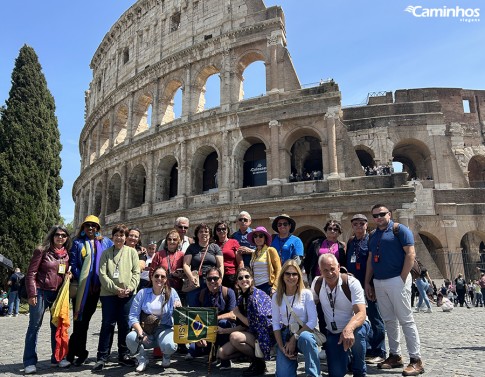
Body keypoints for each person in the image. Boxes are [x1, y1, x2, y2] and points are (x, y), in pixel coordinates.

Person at [364, 204, 424, 376]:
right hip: (380, 282)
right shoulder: (373, 235)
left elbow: (410, 254)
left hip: (397, 279)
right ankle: (395, 355)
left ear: (389, 214)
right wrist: (368, 282)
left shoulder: (400, 230)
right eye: (375, 216)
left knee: (406, 320)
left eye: (382, 214)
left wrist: (402, 278)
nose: (378, 218)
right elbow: (370, 260)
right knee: (389, 320)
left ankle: (416, 359)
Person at [61, 215, 114, 369]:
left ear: (98, 228)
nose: (91, 228)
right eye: (87, 225)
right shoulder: (77, 243)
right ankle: (75, 353)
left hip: (99, 288)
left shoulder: (105, 242)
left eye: (94, 226)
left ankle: (82, 354)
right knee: (80, 322)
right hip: (82, 289)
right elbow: (74, 263)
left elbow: (113, 256)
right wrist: (83, 278)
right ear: (83, 228)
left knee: (88, 322)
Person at [23, 225, 72, 374]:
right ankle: (29, 361)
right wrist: (32, 294)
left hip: (57, 294)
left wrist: (68, 276)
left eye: (64, 235)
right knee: (34, 326)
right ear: (52, 236)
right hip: (41, 292)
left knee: (57, 327)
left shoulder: (66, 254)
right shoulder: (42, 251)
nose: (60, 237)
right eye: (58, 235)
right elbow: (31, 273)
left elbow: (62, 272)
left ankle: (57, 358)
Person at [92, 224, 141, 371]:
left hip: (127, 294)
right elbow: (103, 274)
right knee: (107, 324)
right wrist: (116, 289)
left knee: (124, 324)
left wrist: (130, 288)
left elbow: (136, 272)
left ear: (125, 238)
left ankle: (124, 355)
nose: (119, 238)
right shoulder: (106, 253)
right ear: (112, 237)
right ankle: (102, 357)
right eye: (116, 235)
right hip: (108, 295)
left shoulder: (132, 252)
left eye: (122, 235)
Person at [312, 254, 369, 377]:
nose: (330, 273)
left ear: (338, 267)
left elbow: (361, 313)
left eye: (332, 269)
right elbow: (308, 306)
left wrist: (348, 329)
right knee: (336, 373)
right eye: (325, 270)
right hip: (333, 332)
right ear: (320, 270)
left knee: (358, 335)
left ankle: (359, 370)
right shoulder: (317, 283)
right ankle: (347, 359)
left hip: (355, 327)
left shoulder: (351, 283)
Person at [217, 267, 274, 376]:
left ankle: (259, 363)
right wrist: (224, 331)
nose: (244, 279)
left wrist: (237, 314)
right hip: (252, 335)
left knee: (235, 337)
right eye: (240, 278)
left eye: (247, 276)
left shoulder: (256, 296)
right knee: (222, 353)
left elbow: (257, 324)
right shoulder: (241, 298)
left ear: (252, 279)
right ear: (237, 282)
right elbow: (243, 326)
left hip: (266, 337)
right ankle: (252, 358)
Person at [345, 214, 386, 364]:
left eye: (361, 223)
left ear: (367, 225)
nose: (358, 226)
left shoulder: (371, 240)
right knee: (360, 318)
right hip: (354, 286)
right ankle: (368, 349)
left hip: (369, 284)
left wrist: (371, 284)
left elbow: (375, 262)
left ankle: (380, 351)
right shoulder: (351, 242)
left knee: (375, 317)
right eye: (355, 224)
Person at [126, 266, 181, 372]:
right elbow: (133, 316)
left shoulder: (172, 292)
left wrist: (178, 308)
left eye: (163, 276)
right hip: (146, 328)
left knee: (170, 345)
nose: (159, 278)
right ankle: (142, 358)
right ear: (151, 277)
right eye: (157, 276)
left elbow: (180, 315)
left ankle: (166, 355)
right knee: (130, 338)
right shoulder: (142, 293)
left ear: (166, 279)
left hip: (164, 328)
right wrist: (140, 332)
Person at [271, 260, 320, 377]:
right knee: (284, 375)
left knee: (306, 338)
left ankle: (313, 374)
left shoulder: (306, 294)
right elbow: (276, 324)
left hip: (303, 331)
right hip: (286, 333)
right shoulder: (276, 296)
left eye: (294, 274)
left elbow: (313, 321)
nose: (291, 277)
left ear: (299, 276)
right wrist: (282, 347)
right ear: (282, 276)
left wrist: (294, 338)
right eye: (287, 273)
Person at [185, 267, 237, 370]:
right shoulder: (201, 294)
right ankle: (211, 354)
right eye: (209, 279)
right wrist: (197, 336)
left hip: (224, 328)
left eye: (215, 278)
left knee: (222, 323)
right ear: (206, 280)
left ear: (221, 279)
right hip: (206, 327)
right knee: (193, 350)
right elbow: (193, 316)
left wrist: (215, 318)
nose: (212, 281)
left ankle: (224, 360)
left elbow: (232, 314)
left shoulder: (229, 292)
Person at [183, 223, 224, 307]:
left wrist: (220, 279)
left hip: (211, 281)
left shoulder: (215, 247)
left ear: (210, 235)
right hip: (195, 281)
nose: (204, 233)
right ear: (197, 234)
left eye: (206, 232)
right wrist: (191, 277)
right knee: (194, 306)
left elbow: (220, 265)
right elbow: (186, 264)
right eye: (201, 231)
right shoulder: (192, 247)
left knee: (210, 306)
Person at [304, 219, 346, 284]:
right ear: (326, 231)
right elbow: (308, 260)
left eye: (335, 229)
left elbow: (343, 263)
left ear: (339, 232)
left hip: (335, 279)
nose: (332, 231)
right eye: (330, 228)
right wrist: (309, 275)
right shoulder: (316, 244)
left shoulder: (341, 247)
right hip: (318, 278)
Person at [247, 226, 281, 296]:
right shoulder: (254, 253)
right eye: (255, 236)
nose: (258, 238)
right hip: (256, 288)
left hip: (267, 287)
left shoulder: (271, 250)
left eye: (261, 236)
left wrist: (275, 287)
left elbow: (279, 269)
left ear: (265, 238)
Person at [213, 220, 243, 288]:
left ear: (227, 230)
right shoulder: (214, 245)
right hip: (217, 276)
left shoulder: (233, 242)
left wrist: (238, 279)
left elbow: (240, 263)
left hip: (232, 276)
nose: (221, 231)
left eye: (224, 229)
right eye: (219, 229)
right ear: (216, 231)